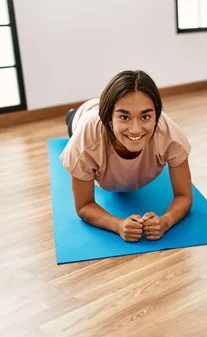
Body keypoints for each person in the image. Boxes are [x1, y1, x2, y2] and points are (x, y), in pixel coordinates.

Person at [61, 70, 193, 243]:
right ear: (109, 120)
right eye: (124, 117)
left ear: (156, 117)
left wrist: (166, 221)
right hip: (85, 114)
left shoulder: (171, 137)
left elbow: (184, 196)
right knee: (72, 119)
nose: (136, 129)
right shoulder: (87, 140)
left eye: (146, 116)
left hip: (107, 109)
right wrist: (118, 225)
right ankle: (71, 114)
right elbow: (84, 206)